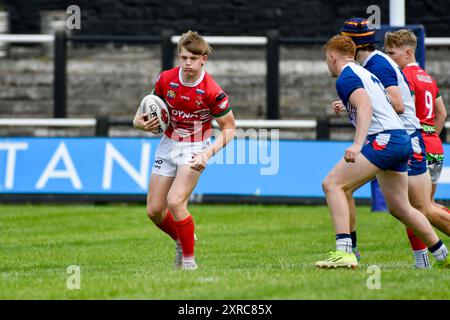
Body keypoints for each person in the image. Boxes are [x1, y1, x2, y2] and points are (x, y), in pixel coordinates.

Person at [315, 34, 450, 269]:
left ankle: (345, 250)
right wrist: (348, 107)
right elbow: (380, 104)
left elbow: (366, 107)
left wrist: (358, 144)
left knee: (333, 184)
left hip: (384, 139)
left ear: (332, 56)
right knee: (401, 208)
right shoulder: (365, 73)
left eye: (327, 59)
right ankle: (443, 255)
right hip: (400, 139)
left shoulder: (346, 77)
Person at [133, 31, 236, 270]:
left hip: (196, 146)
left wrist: (207, 153)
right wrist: (139, 123)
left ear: (204, 59)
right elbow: (146, 111)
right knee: (154, 211)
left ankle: (189, 263)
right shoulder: (166, 79)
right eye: (184, 57)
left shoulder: (212, 90)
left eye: (193, 58)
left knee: (176, 202)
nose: (188, 63)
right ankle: (182, 238)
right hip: (168, 143)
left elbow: (230, 129)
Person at [385, 29, 448, 208]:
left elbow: (407, 109)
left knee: (412, 209)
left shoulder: (405, 76)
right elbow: (442, 113)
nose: (388, 58)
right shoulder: (427, 77)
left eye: (391, 53)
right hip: (435, 147)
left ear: (408, 52)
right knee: (429, 206)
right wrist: (431, 135)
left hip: (418, 147)